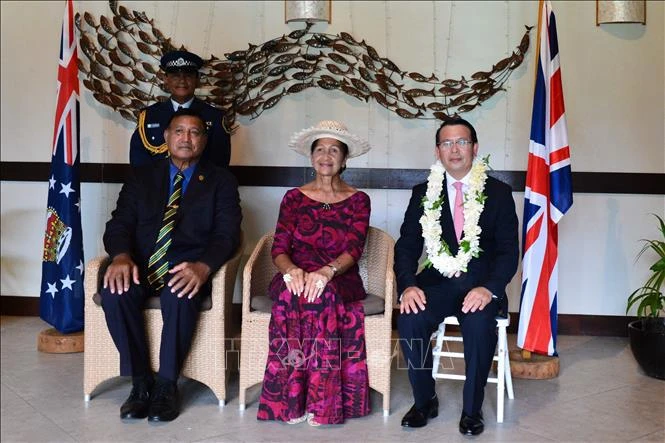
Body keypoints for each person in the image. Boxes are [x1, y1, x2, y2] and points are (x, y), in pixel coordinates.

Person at [101, 108, 242, 422]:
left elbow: (227, 234)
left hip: (187, 267)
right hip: (140, 265)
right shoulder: (141, 177)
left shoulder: (221, 181)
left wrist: (204, 267)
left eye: (194, 133)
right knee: (115, 293)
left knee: (179, 295)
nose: (186, 138)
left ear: (204, 141)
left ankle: (167, 385)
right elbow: (119, 224)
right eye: (179, 131)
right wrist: (121, 256)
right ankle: (140, 383)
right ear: (165, 137)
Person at [395, 117, 519, 435]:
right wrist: (408, 285)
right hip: (436, 282)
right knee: (411, 317)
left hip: (480, 284)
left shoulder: (499, 193)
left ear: (474, 148)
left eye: (461, 142)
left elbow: (508, 252)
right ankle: (425, 401)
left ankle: (472, 409)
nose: (454, 149)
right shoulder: (423, 192)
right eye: (447, 143)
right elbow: (407, 245)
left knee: (479, 326)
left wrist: (490, 289)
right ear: (438, 151)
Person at [257, 120, 372, 426]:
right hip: (295, 271)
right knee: (290, 295)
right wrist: (291, 271)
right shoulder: (293, 198)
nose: (326, 155)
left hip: (339, 275)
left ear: (344, 159)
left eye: (334, 149)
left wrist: (327, 271)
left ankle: (323, 404)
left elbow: (354, 248)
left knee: (323, 296)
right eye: (320, 149)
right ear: (311, 157)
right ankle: (290, 400)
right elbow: (278, 248)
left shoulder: (359, 200)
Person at [130, 50, 232, 168]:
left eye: (188, 75)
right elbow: (138, 163)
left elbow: (219, 163)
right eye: (175, 76)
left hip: (200, 185)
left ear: (197, 80)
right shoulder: (149, 116)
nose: (182, 81)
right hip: (155, 185)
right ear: (166, 79)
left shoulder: (215, 117)